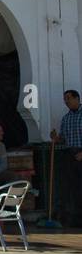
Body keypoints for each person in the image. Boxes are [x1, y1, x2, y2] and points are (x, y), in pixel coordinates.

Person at [48, 89, 82, 225]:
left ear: (77, 99)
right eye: (65, 99)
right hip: (69, 154)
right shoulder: (66, 118)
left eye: (68, 98)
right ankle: (75, 218)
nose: (66, 101)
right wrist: (55, 138)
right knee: (72, 187)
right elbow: (63, 138)